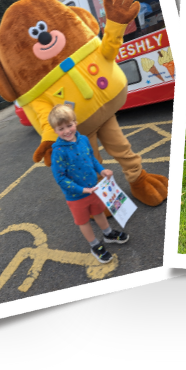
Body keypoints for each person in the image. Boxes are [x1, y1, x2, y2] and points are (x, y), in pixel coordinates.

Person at [47, 104, 129, 264]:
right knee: (83, 221)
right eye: (61, 128)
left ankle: (108, 233)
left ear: (75, 122)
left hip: (95, 189)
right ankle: (94, 245)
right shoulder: (58, 152)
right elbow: (61, 179)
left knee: (98, 212)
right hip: (76, 196)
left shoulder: (83, 139)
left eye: (69, 125)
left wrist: (102, 170)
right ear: (55, 131)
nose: (67, 131)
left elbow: (91, 159)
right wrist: (82, 190)